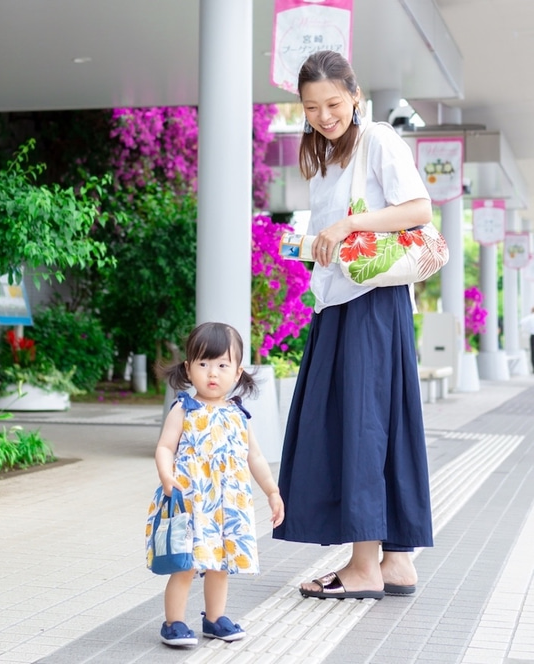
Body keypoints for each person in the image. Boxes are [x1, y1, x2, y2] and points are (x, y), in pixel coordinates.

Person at [273, 50, 434, 600]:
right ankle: (395, 562)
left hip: (368, 303)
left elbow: (418, 209)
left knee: (361, 425)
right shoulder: (324, 155)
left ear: (355, 96)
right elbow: (334, 236)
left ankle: (363, 568)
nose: (323, 115)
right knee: (378, 424)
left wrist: (348, 224)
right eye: (311, 107)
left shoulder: (379, 139)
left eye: (333, 103)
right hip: (347, 301)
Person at [145, 322, 285, 646]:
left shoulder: (238, 414)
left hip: (228, 506)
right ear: (188, 368)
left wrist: (273, 492)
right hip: (192, 500)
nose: (212, 373)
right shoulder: (184, 408)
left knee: (220, 564)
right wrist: (168, 478)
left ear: (237, 373)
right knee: (185, 564)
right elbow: (165, 447)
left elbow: (256, 458)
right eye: (204, 364)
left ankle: (214, 618)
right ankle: (174, 622)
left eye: (222, 365)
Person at [519, 306, 534, 371]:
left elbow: (521, 322)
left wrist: (528, 329)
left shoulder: (529, 317)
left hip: (532, 336)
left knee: (533, 352)